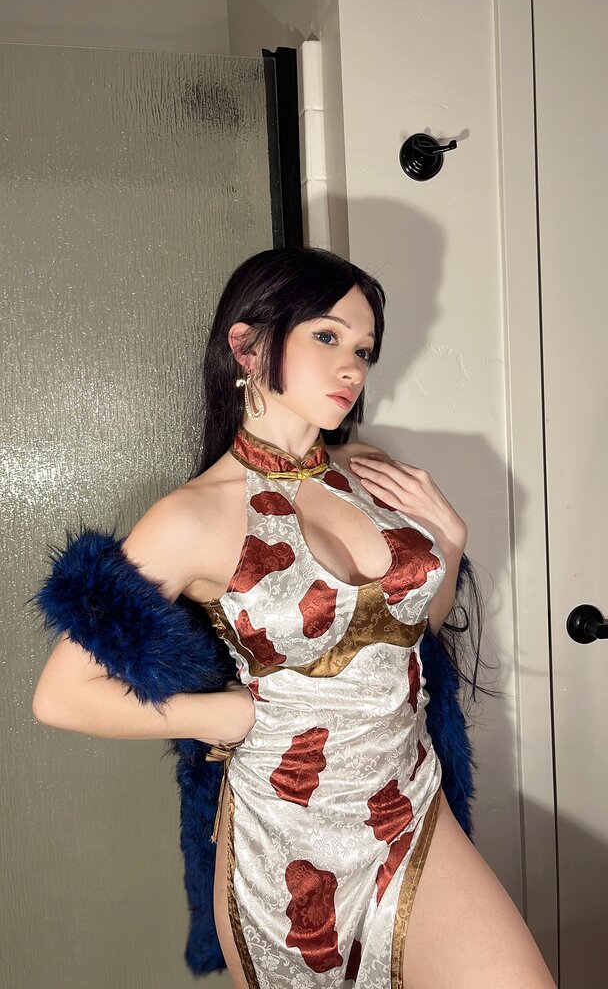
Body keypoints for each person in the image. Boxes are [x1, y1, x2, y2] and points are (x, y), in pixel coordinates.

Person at [32, 246, 556, 988]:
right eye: (327, 336)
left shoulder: (369, 471)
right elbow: (61, 696)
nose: (353, 368)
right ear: (248, 346)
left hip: (410, 810)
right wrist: (224, 715)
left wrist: (450, 543)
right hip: (286, 849)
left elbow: (414, 639)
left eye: (364, 349)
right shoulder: (192, 517)